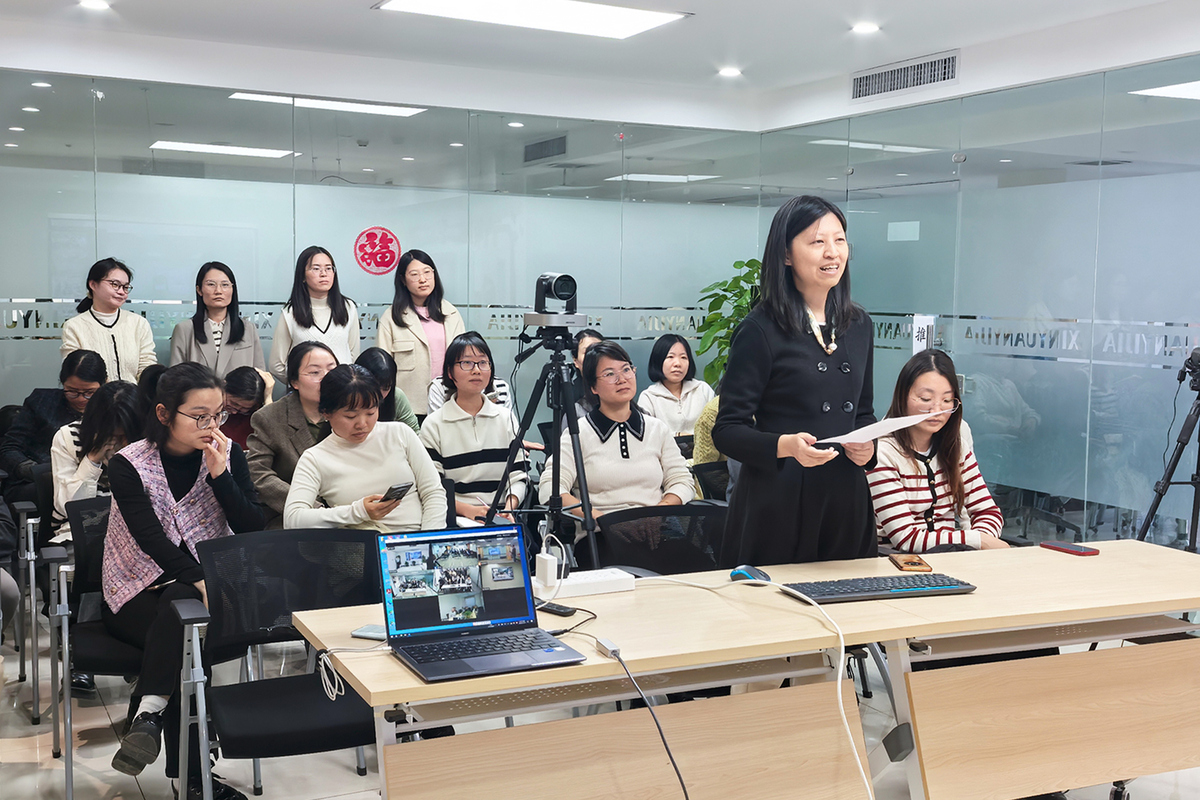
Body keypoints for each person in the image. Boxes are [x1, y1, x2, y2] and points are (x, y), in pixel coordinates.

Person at [102, 363, 262, 800]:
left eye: (218, 415)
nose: (211, 426)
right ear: (164, 413)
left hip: (196, 598)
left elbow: (251, 525)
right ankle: (193, 780)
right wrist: (201, 579)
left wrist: (221, 476)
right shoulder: (129, 464)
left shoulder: (228, 454)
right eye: (199, 416)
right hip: (134, 591)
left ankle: (148, 713)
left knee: (183, 613)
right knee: (187, 626)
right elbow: (150, 538)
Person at [712, 195, 877, 567]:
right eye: (817, 242)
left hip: (845, 499)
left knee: (855, 597)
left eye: (839, 240)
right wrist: (784, 445)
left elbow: (863, 413)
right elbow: (727, 430)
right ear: (786, 254)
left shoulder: (858, 324)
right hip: (780, 501)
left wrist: (869, 448)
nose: (832, 252)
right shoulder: (761, 328)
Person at [869, 349, 1007, 552]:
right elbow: (906, 539)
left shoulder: (956, 446)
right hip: (897, 562)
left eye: (947, 400)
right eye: (925, 399)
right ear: (902, 397)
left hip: (950, 558)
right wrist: (978, 540)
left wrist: (978, 545)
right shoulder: (881, 453)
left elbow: (988, 512)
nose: (936, 411)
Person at [538, 340, 694, 520]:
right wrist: (599, 519)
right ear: (593, 387)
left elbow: (682, 481)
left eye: (626, 369)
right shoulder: (578, 433)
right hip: (601, 529)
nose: (622, 379)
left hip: (656, 526)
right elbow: (550, 487)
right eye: (609, 374)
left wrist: (658, 513)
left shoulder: (657, 429)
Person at [284, 365, 445, 532]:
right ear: (326, 412)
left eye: (370, 413)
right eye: (350, 416)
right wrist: (358, 512)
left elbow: (433, 492)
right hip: (363, 544)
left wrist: (429, 539)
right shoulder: (315, 458)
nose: (362, 424)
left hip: (418, 538)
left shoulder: (400, 433)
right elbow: (293, 519)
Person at [420, 333, 529, 525]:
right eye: (467, 363)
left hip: (502, 516)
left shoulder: (506, 418)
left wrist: (508, 509)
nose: (476, 370)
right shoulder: (434, 425)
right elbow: (432, 487)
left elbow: (519, 474)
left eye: (483, 363)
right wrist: (468, 510)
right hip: (456, 518)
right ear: (450, 372)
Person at [247, 342, 337, 529]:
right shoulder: (270, 417)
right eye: (315, 372)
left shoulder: (350, 411)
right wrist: (306, 506)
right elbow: (258, 473)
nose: (327, 378)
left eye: (332, 369)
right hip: (290, 515)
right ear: (294, 382)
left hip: (347, 509)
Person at [1, 350, 108, 503]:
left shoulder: (110, 408)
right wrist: (35, 470)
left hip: (94, 481)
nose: (80, 399)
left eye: (89, 393)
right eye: (71, 392)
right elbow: (9, 448)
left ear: (104, 383)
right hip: (39, 482)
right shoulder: (41, 402)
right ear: (62, 382)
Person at [376, 249, 465, 418]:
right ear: (403, 280)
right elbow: (382, 369)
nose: (423, 279)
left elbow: (464, 360)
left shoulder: (451, 314)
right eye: (414, 274)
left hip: (450, 402)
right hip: (409, 407)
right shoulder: (391, 317)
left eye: (427, 272)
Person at [50, 380, 140, 537]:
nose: (116, 440)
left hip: (136, 527)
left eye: (123, 434)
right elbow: (65, 507)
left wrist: (131, 454)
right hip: (83, 529)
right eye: (111, 433)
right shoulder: (68, 437)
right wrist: (92, 459)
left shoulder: (148, 439)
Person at [268, 246, 359, 383]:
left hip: (342, 391)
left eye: (328, 268)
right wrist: (303, 384)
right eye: (316, 269)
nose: (324, 274)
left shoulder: (348, 307)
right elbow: (277, 365)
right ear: (303, 276)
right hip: (306, 393)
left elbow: (353, 355)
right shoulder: (290, 313)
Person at [61, 258, 156, 382]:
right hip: (95, 395)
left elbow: (147, 366)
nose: (122, 292)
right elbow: (75, 371)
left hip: (133, 394)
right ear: (93, 285)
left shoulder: (138, 323)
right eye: (115, 285)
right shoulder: (74, 326)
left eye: (126, 287)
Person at [169, 262, 265, 378]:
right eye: (211, 284)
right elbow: (175, 379)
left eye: (225, 285)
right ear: (199, 290)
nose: (218, 291)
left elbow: (260, 375)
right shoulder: (185, 330)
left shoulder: (248, 329)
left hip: (239, 390)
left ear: (232, 289)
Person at [637, 334, 715, 435]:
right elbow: (647, 434)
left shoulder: (703, 389)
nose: (678, 363)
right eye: (670, 357)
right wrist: (677, 436)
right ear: (658, 361)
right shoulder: (649, 397)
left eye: (683, 357)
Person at [355, 347, 420, 433]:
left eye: (386, 388)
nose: (379, 394)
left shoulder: (397, 397)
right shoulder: (346, 396)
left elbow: (414, 432)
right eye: (374, 387)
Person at [219, 366, 269, 448]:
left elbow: (272, 438)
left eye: (244, 409)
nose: (234, 412)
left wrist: (268, 397)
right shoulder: (207, 411)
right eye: (233, 403)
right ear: (223, 388)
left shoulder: (253, 417)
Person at [570, 328, 604, 415]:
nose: (594, 356)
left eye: (598, 350)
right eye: (587, 352)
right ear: (575, 360)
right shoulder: (571, 393)